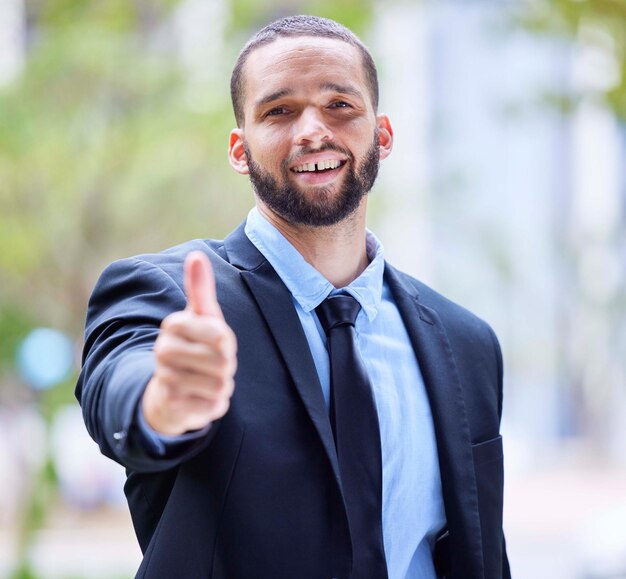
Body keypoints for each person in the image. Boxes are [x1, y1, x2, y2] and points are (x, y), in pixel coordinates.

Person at [77, 14, 511, 579]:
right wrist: (163, 401)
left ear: (381, 135)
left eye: (340, 106)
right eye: (279, 111)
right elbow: (119, 386)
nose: (312, 130)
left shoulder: (465, 342)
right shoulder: (168, 293)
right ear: (239, 148)